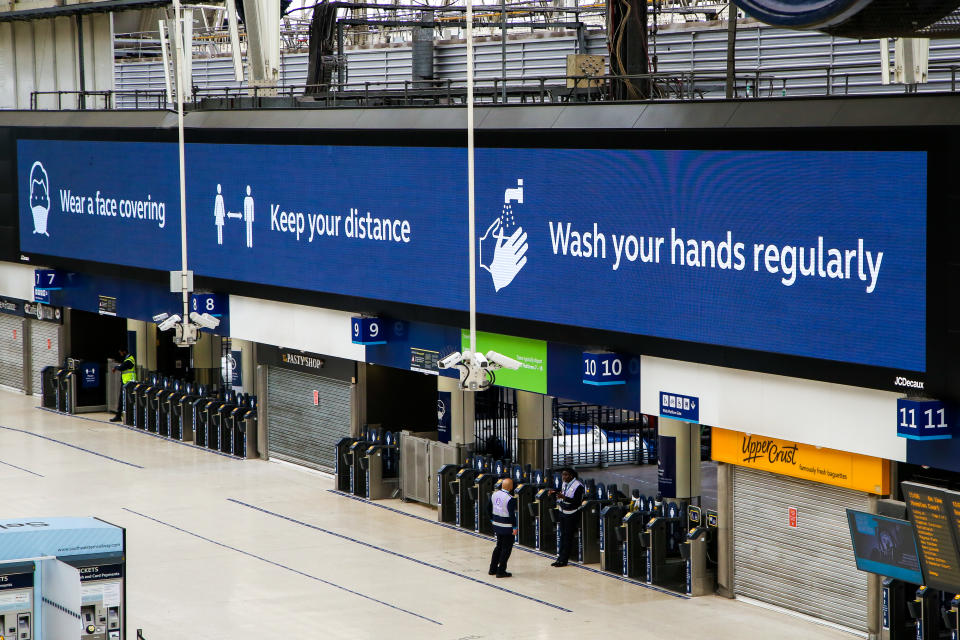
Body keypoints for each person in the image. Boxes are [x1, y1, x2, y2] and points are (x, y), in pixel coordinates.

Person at [550, 467, 584, 567]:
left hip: (572, 514)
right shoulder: (565, 483)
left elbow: (577, 502)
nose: (563, 477)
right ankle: (559, 558)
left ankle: (564, 560)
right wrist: (554, 493)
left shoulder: (578, 486)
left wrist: (564, 498)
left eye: (565, 475)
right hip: (562, 512)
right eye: (562, 475)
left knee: (568, 537)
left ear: (571, 476)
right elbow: (563, 493)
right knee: (562, 536)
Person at [489, 477, 517, 578]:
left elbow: (488, 508)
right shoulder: (510, 498)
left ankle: (492, 569)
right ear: (511, 487)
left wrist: (492, 520)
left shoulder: (494, 494)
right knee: (506, 549)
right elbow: (512, 515)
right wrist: (514, 527)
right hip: (507, 527)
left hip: (497, 525)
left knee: (498, 546)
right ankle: (501, 571)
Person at [109, 348, 136, 422]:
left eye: (121, 353)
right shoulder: (127, 359)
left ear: (124, 352)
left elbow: (122, 367)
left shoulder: (130, 360)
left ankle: (123, 416)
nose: (120, 354)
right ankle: (119, 415)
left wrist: (116, 367)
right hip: (126, 383)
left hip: (129, 383)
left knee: (126, 400)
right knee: (122, 399)